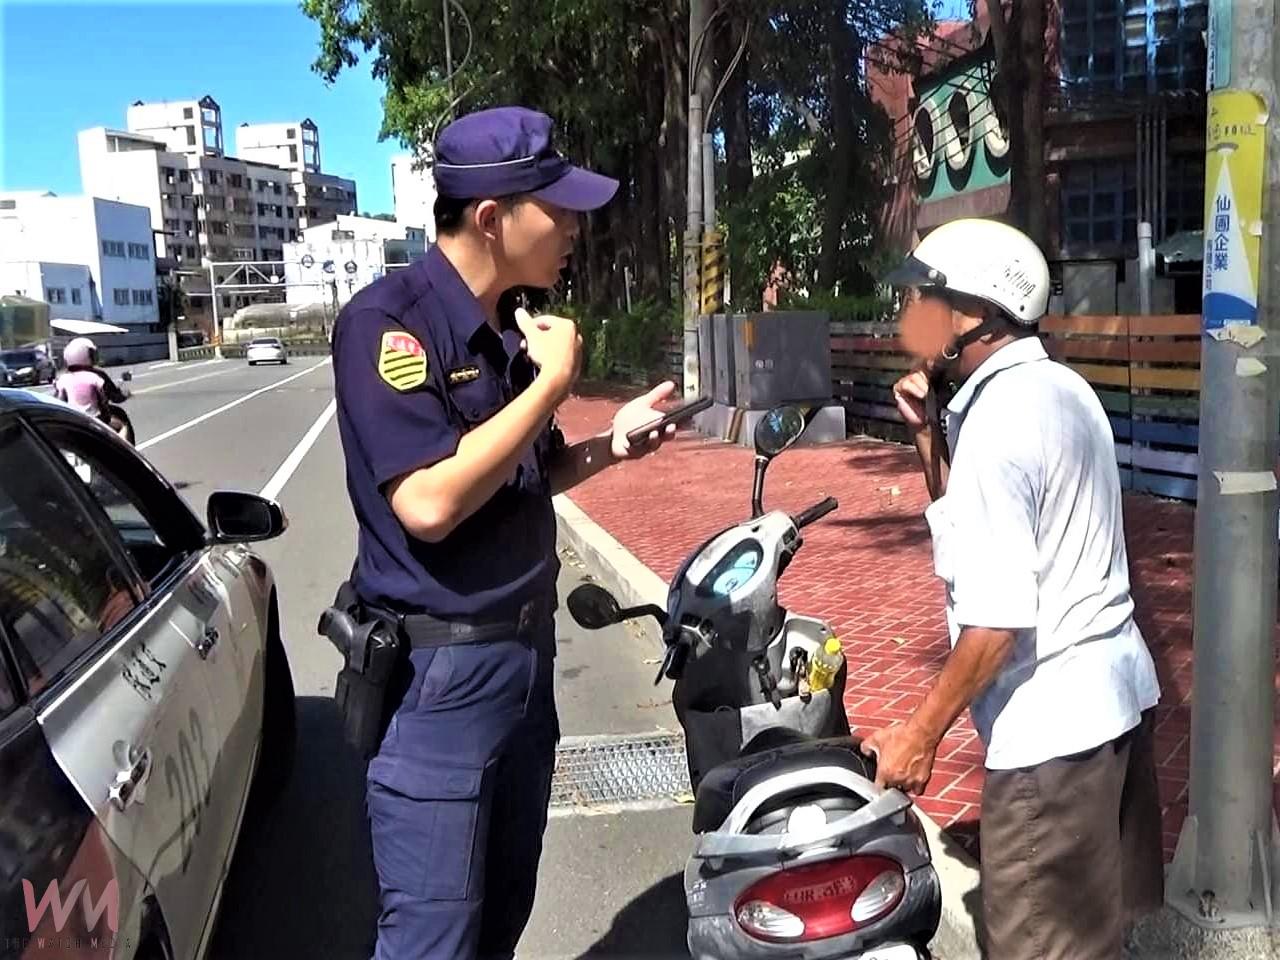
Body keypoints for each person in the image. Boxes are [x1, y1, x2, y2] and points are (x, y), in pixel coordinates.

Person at [330, 106, 680, 960]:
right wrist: (552, 386)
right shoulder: (388, 325)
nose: (575, 228)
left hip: (526, 661)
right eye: (557, 210)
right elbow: (427, 502)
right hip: (440, 680)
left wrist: (609, 445)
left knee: (501, 915)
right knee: (434, 938)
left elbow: (520, 473)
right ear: (492, 217)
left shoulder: (506, 327)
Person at [860, 218, 1164, 958]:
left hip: (1050, 750)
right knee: (1100, 942)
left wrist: (918, 736)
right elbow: (977, 536)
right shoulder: (1061, 389)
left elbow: (995, 622)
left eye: (926, 302)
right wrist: (928, 437)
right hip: (1115, 711)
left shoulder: (999, 422)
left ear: (976, 314)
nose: (911, 319)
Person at [54, 337, 131, 440]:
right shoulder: (97, 375)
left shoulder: (62, 378)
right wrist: (125, 394)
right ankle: (124, 450)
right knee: (123, 426)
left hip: (72, 421)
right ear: (85, 355)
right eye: (91, 354)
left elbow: (58, 401)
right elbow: (112, 397)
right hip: (94, 419)